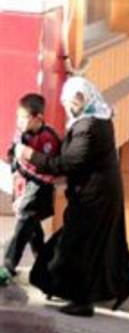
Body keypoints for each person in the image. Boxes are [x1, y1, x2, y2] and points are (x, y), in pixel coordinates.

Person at [17, 77, 129, 316]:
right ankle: (124, 284)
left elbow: (67, 163)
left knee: (75, 248)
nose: (70, 106)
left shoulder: (89, 127)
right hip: (99, 195)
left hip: (94, 198)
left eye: (73, 101)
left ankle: (82, 301)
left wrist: (31, 155)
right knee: (107, 244)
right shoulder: (96, 118)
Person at [0, 94, 61, 285]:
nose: (20, 122)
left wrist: (27, 154)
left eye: (24, 118)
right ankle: (47, 269)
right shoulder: (21, 134)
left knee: (24, 224)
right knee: (33, 231)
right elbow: (12, 155)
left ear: (38, 118)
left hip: (39, 187)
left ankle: (7, 266)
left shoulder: (48, 137)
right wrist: (12, 153)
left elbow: (49, 166)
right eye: (18, 117)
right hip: (23, 186)